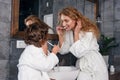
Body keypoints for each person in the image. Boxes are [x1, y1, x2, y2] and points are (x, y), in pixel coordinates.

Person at [56, 6, 108, 80]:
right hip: (82, 66)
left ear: (75, 20)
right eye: (62, 21)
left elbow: (80, 52)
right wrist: (61, 35)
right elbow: (64, 51)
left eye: (66, 20)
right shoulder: (68, 32)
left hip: (95, 64)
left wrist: (76, 32)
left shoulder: (89, 30)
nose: (63, 24)